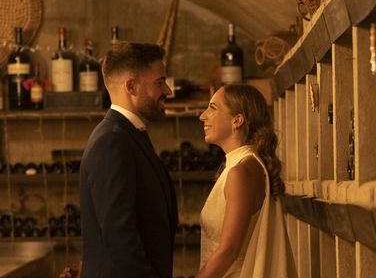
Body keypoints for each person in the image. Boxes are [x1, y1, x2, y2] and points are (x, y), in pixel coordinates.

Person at [80, 42, 178, 278]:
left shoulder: (129, 134)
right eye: (160, 82)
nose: (168, 90)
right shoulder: (111, 141)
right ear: (131, 87)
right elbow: (119, 234)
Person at [197, 84, 297, 278]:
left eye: (213, 108)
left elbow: (229, 250)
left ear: (237, 120)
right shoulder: (242, 165)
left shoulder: (241, 171)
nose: (203, 115)